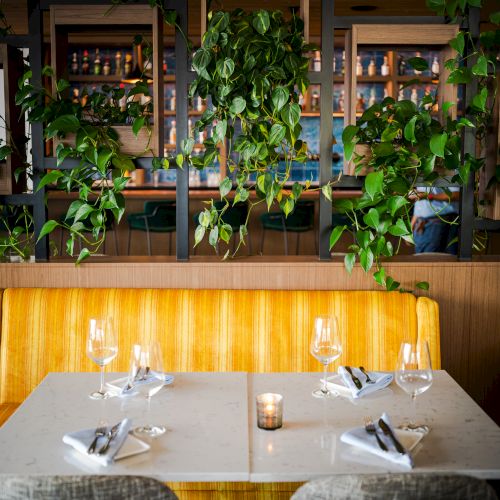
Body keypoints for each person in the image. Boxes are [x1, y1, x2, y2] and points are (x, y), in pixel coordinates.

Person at [411, 186, 460, 254]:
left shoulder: (447, 175)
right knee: (421, 259)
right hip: (420, 224)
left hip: (438, 222)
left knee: (431, 260)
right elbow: (421, 204)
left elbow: (457, 194)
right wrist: (411, 226)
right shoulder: (420, 176)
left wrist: (428, 196)